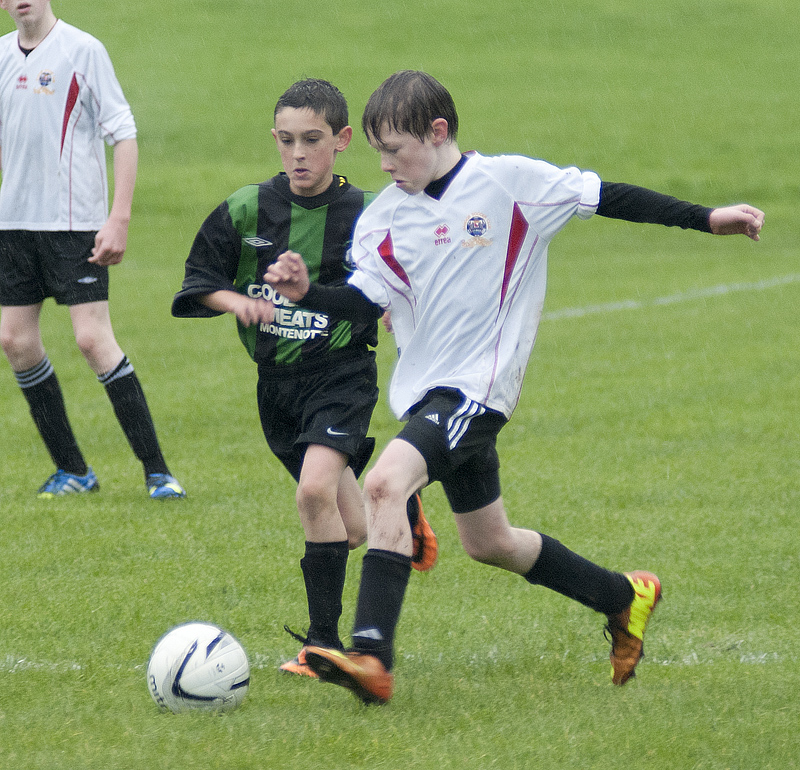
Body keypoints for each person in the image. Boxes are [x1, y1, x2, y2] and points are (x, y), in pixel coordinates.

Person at [264, 70, 765, 704]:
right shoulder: (384, 218)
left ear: (438, 132)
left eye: (396, 148)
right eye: (378, 150)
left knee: (385, 483)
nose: (384, 164)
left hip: (479, 390)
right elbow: (363, 307)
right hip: (428, 395)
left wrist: (708, 218)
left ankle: (371, 655)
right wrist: (311, 294)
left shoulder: (511, 183)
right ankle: (624, 596)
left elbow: (610, 197)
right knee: (490, 543)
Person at [171, 78, 437, 678]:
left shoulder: (370, 212)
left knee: (314, 492)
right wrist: (235, 303)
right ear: (274, 139)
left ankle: (321, 646)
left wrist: (396, 305)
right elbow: (197, 281)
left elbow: (408, 271)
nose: (298, 154)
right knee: (349, 530)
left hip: (341, 376)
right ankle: (406, 509)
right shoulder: (247, 209)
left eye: (312, 140)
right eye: (287, 140)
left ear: (341, 141)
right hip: (277, 389)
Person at [0, 0, 185, 499]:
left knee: (91, 339)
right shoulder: (0, 57)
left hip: (73, 226)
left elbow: (122, 133)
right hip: (14, 227)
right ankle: (74, 471)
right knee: (15, 341)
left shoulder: (82, 50)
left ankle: (158, 473)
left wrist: (118, 217)